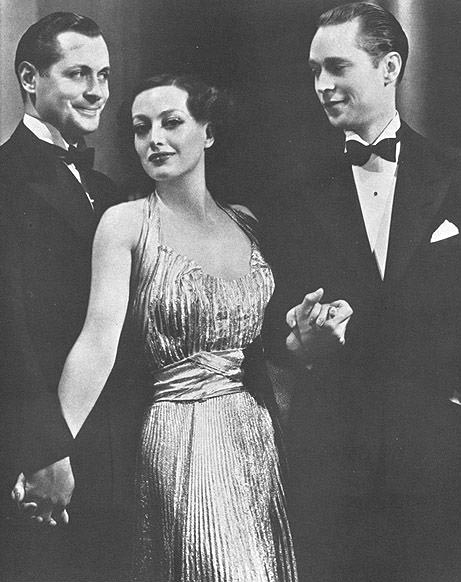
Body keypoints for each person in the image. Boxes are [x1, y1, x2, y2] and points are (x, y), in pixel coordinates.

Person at [52, 72, 305, 581]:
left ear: (208, 132)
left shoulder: (245, 222)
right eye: (141, 128)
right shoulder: (126, 223)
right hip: (181, 435)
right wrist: (52, 446)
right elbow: (96, 343)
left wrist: (306, 334)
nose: (155, 140)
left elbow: (270, 347)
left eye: (171, 123)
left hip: (254, 436)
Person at [263, 3, 461, 581]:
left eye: (336, 67)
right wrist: (299, 338)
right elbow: (272, 322)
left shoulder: (452, 174)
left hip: (437, 451)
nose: (322, 85)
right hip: (332, 456)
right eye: (314, 71)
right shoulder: (292, 189)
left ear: (389, 67)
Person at [0, 12, 134, 582]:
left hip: (117, 447)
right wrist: (43, 452)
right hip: (46, 456)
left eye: (104, 76)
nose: (98, 91)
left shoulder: (106, 190)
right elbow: (7, 330)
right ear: (30, 79)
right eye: (79, 74)